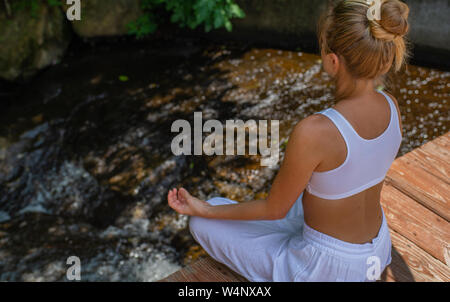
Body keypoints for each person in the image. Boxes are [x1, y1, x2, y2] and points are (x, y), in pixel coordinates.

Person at [167, 0, 409, 282]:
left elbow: (274, 210)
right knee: (308, 189)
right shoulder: (391, 107)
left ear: (333, 61)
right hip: (376, 250)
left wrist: (204, 208)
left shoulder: (315, 131)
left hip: (326, 269)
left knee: (203, 221)